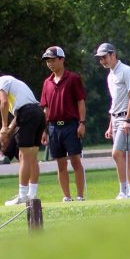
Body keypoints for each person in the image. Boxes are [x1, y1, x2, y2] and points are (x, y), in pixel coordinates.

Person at [0, 71, 46, 205]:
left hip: (28, 114)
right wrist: (7, 132)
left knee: (23, 156)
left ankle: (22, 196)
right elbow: (18, 115)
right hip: (38, 114)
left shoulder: (0, 81)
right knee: (32, 157)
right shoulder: (14, 85)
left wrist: (3, 127)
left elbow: (3, 103)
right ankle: (32, 195)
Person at [39, 46, 87, 201]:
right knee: (60, 164)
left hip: (71, 125)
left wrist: (82, 123)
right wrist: (44, 130)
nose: (50, 64)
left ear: (62, 59)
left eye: (53, 60)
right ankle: (67, 197)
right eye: (48, 61)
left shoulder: (73, 78)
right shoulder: (47, 82)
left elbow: (80, 102)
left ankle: (80, 196)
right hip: (53, 127)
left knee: (75, 160)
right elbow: (45, 108)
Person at [95, 42, 130, 199]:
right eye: (100, 59)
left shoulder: (127, 71)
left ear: (113, 55)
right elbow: (115, 102)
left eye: (105, 57)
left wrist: (127, 119)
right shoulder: (110, 75)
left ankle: (123, 191)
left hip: (127, 118)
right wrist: (110, 124)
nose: (103, 61)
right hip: (116, 118)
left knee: (116, 153)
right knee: (127, 155)